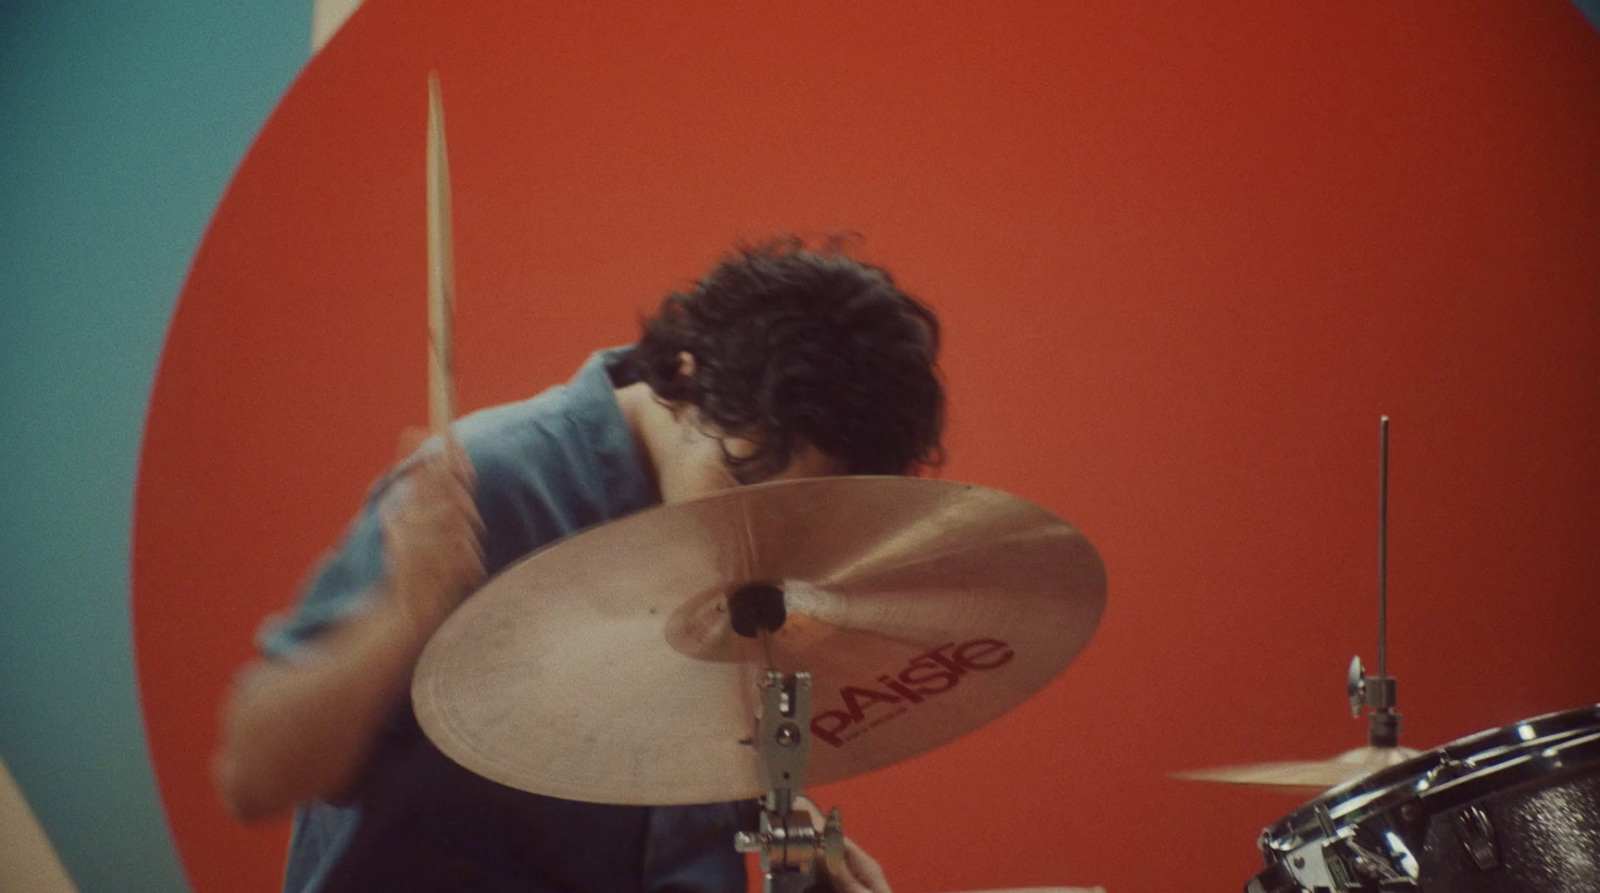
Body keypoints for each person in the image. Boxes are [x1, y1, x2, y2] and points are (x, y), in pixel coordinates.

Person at [212, 236, 945, 893]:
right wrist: (400, 618)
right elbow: (254, 774)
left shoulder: (779, 541)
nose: (756, 543)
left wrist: (790, 821)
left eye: (795, 521)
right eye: (739, 487)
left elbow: (634, 746)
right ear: (688, 380)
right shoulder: (488, 482)